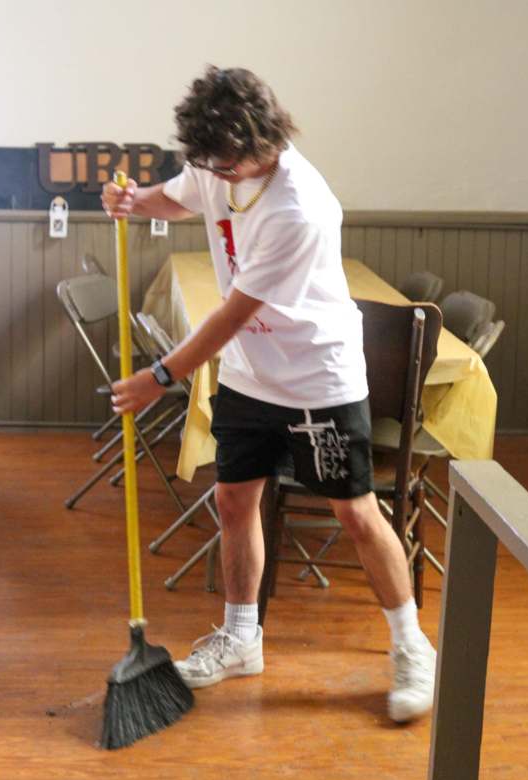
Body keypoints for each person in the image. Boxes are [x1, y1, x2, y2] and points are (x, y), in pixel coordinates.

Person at [102, 65, 436, 723]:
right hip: (249, 377)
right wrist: (139, 202)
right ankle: (241, 637)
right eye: (211, 166)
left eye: (226, 166)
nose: (218, 177)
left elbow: (230, 314)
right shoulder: (215, 161)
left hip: (318, 377)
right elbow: (181, 196)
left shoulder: (300, 206)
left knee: (356, 513)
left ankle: (410, 644)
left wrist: (160, 378)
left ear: (263, 138)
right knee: (233, 499)